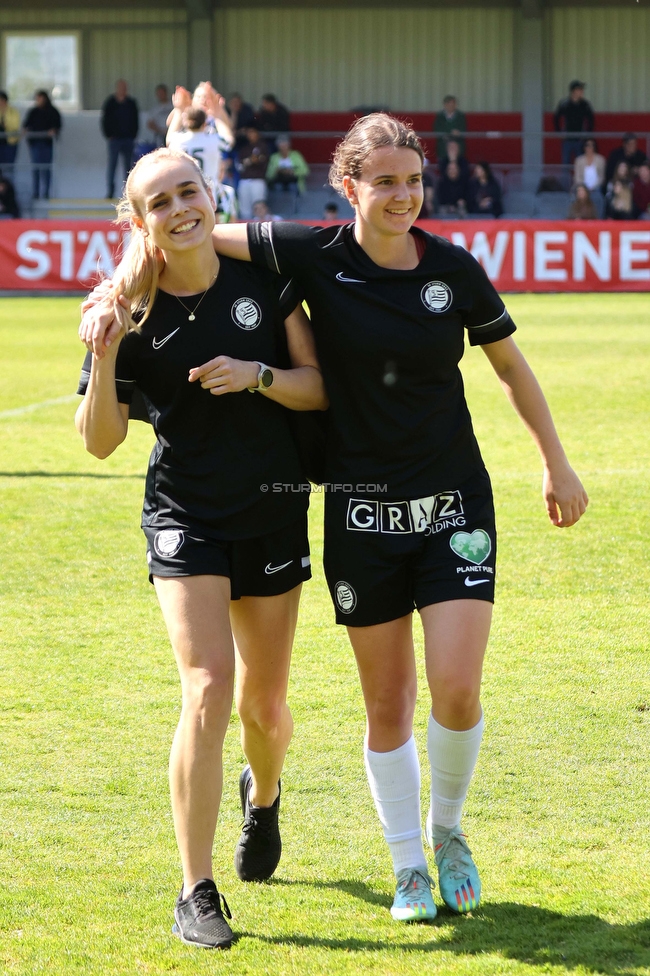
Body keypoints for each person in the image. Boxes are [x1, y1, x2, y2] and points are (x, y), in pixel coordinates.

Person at [88, 114, 589, 926]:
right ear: (348, 187)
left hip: (438, 501)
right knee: (346, 701)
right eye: (383, 181)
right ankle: (394, 871)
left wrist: (556, 462)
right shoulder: (309, 253)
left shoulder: (447, 269)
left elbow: (500, 367)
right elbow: (178, 236)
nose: (402, 195)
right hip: (346, 512)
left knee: (444, 692)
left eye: (413, 180)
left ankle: (444, 832)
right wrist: (117, 299)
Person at [76, 147, 327, 949]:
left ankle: (266, 793)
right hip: (184, 512)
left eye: (190, 191)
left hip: (274, 508)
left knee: (264, 705)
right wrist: (106, 348)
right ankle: (196, 890)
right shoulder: (125, 307)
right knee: (208, 688)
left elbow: (318, 387)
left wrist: (257, 375)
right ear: (139, 220)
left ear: (210, 193)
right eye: (161, 201)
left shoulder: (265, 280)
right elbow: (101, 443)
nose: (181, 208)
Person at [167, 107, 225, 189]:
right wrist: (217, 116)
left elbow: (169, 139)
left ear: (185, 122)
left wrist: (179, 110)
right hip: (209, 188)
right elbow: (228, 140)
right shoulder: (213, 140)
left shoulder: (178, 140)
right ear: (205, 123)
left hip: (186, 187)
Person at [101, 79, 139, 198]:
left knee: (129, 167)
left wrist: (133, 134)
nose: (122, 89)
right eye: (120, 87)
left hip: (128, 139)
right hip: (114, 140)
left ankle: (128, 193)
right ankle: (110, 191)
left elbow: (136, 120)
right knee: (112, 165)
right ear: (117, 88)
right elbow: (104, 120)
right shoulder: (110, 103)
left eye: (124, 87)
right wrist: (108, 135)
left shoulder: (131, 103)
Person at [22, 90, 62, 199]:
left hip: (47, 144)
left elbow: (57, 125)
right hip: (35, 144)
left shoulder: (52, 111)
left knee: (46, 169)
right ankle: (36, 193)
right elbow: (26, 125)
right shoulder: (33, 112)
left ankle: (46, 193)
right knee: (36, 168)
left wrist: (53, 131)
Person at [554, 81, 594, 168]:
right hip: (567, 139)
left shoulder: (585, 104)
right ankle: (565, 182)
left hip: (580, 139)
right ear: (574, 91)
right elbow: (556, 118)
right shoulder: (565, 103)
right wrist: (559, 132)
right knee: (565, 164)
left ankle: (580, 182)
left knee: (581, 163)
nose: (582, 92)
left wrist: (587, 135)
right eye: (580, 89)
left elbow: (591, 120)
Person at [237, 125, 271, 219]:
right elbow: (240, 165)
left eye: (253, 132)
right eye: (249, 132)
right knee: (244, 209)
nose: (250, 134)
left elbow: (263, 161)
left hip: (258, 180)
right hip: (244, 180)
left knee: (259, 207)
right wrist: (250, 160)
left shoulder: (263, 146)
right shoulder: (244, 148)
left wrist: (252, 160)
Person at [433, 95, 467, 160]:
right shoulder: (440, 116)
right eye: (450, 104)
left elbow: (463, 129)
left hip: (458, 146)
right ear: (445, 105)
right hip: (443, 147)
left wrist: (458, 132)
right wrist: (448, 133)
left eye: (453, 104)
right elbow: (437, 129)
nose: (452, 106)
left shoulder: (461, 116)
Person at [145, 84, 172, 149]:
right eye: (159, 93)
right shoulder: (155, 109)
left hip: (172, 134)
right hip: (160, 136)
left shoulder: (173, 106)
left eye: (162, 93)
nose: (161, 95)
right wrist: (160, 130)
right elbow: (150, 124)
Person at [0, 91, 21, 168]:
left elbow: (15, 126)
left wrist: (5, 125)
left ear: (4, 100)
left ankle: (7, 180)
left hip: (10, 143)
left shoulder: (13, 112)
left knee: (8, 167)